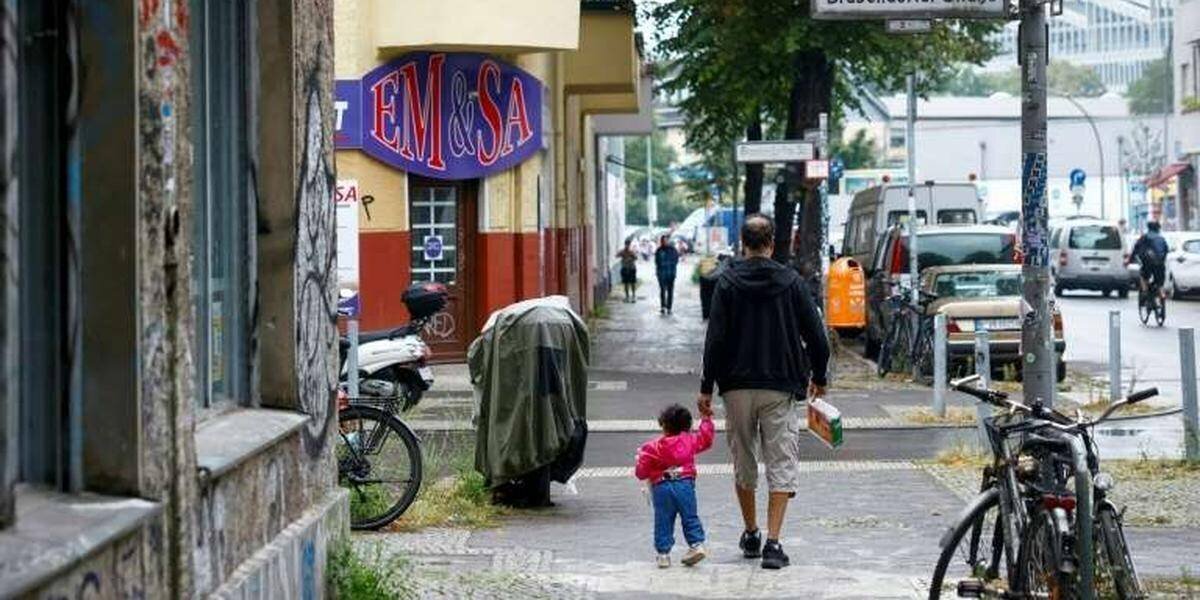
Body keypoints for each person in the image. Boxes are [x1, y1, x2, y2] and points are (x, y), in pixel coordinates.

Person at [698, 213, 830, 570]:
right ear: (772, 244)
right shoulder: (792, 282)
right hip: (779, 385)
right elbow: (817, 336)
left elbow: (715, 338)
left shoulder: (727, 282)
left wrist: (706, 387)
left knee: (743, 459)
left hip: (736, 386)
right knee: (781, 460)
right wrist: (819, 376)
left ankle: (751, 532)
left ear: (743, 244)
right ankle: (773, 543)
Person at [635, 403, 715, 568]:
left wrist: (640, 462)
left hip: (661, 487)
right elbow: (706, 439)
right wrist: (706, 419)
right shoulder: (689, 440)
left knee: (663, 520)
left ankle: (663, 554)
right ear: (688, 426)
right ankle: (696, 545)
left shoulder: (652, 448)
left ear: (664, 425)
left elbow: (641, 473)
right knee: (690, 516)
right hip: (685, 484)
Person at [1130, 221, 1169, 298]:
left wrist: (1131, 259)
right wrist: (1161, 260)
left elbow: (1136, 249)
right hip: (1159, 263)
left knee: (1143, 276)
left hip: (1147, 263)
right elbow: (1166, 250)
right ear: (1158, 229)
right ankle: (1162, 293)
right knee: (1160, 281)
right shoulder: (1161, 238)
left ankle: (1145, 290)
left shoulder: (1144, 237)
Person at [654, 235, 681, 315]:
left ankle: (669, 307)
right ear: (661, 241)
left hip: (671, 274)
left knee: (670, 291)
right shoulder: (659, 250)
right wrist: (659, 272)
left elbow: (676, 260)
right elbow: (657, 262)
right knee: (662, 290)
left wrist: (671, 268)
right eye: (663, 241)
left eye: (666, 240)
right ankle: (663, 306)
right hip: (661, 274)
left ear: (668, 241)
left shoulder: (673, 250)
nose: (665, 242)